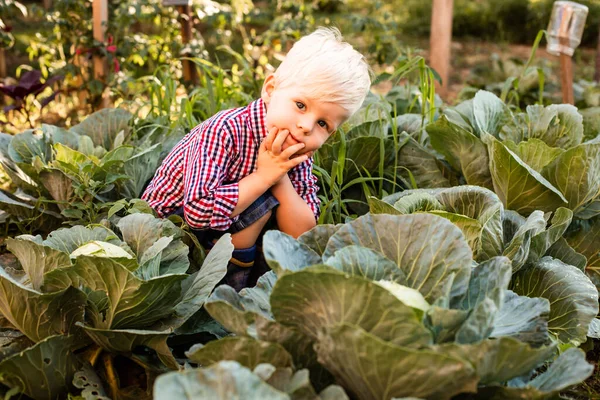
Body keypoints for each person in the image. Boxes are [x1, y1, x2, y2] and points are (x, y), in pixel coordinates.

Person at [142, 27, 372, 291]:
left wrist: (279, 176)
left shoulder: (296, 153)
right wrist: (262, 177)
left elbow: (303, 234)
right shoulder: (224, 130)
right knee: (261, 200)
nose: (306, 126)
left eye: (323, 123)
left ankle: (246, 288)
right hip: (168, 234)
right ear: (271, 89)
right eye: (300, 105)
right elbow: (197, 211)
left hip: (224, 231)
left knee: (279, 213)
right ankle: (222, 289)